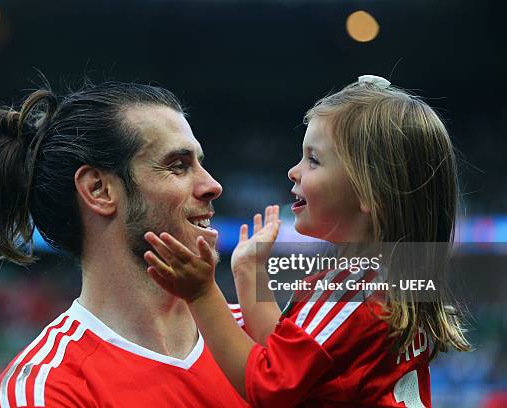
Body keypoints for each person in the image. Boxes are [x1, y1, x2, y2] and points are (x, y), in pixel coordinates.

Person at [143, 75, 472, 407]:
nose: (293, 171)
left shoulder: (352, 293)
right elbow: (288, 354)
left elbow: (269, 387)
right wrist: (249, 273)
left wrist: (201, 293)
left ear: (371, 191)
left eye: (313, 160)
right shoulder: (389, 281)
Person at [0, 80, 248, 407]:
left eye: (201, 163)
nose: (212, 186)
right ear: (99, 190)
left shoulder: (262, 337)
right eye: (178, 165)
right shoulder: (45, 392)